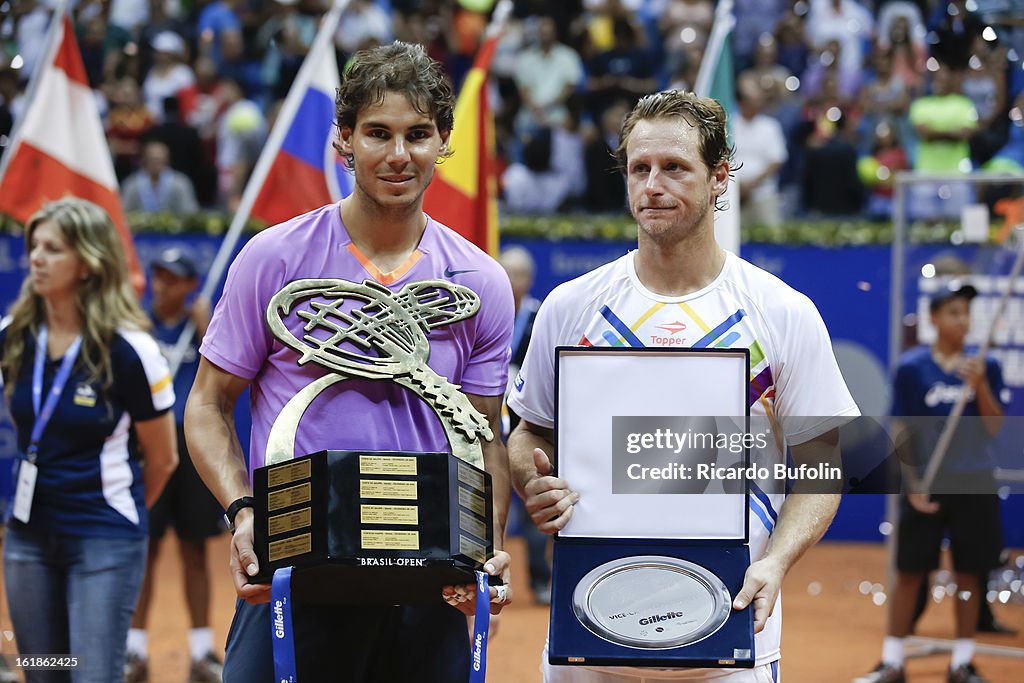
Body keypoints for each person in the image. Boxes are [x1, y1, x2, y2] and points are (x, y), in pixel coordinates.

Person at [184, 41, 515, 683]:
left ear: (443, 141)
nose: (398, 155)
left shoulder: (482, 280)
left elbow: (484, 436)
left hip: (429, 575)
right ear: (344, 141)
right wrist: (243, 511)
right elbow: (207, 404)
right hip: (295, 566)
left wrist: (487, 547)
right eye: (377, 133)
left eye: (418, 134)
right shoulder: (272, 257)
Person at [506, 90, 859, 682]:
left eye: (674, 167)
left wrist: (777, 562)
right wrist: (533, 482)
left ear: (719, 176)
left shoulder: (781, 313)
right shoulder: (571, 308)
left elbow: (823, 467)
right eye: (639, 168)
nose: (653, 185)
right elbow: (529, 432)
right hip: (585, 634)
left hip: (732, 638)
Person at [0, 197, 178, 682]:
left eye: (53, 248)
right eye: (34, 246)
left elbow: (162, 459)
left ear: (87, 263)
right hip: (27, 539)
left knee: (93, 675)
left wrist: (115, 511)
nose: (36, 257)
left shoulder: (129, 350)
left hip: (103, 540)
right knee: (43, 673)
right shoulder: (13, 337)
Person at [855, 283, 1009, 683]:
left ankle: (962, 661)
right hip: (927, 482)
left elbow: (995, 428)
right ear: (935, 318)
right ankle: (893, 660)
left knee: (969, 573)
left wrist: (980, 388)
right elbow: (902, 428)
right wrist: (913, 480)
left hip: (974, 481)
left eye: (966, 313)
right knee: (909, 571)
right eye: (954, 312)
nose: (963, 321)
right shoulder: (912, 367)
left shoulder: (984, 366)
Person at [125, 250, 221, 683]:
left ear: (189, 287)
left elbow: (224, 379)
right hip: (148, 448)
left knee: (194, 549)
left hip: (192, 450)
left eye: (174, 279)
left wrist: (205, 329)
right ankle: (133, 651)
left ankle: (202, 652)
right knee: (144, 549)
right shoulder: (137, 329)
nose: (163, 285)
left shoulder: (203, 331)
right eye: (159, 277)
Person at [499, 246, 551, 605]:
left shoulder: (538, 319)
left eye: (516, 274)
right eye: (504, 273)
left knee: (534, 502)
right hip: (485, 424)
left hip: (524, 426)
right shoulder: (487, 313)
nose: (510, 281)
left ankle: (541, 580)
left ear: (528, 280)